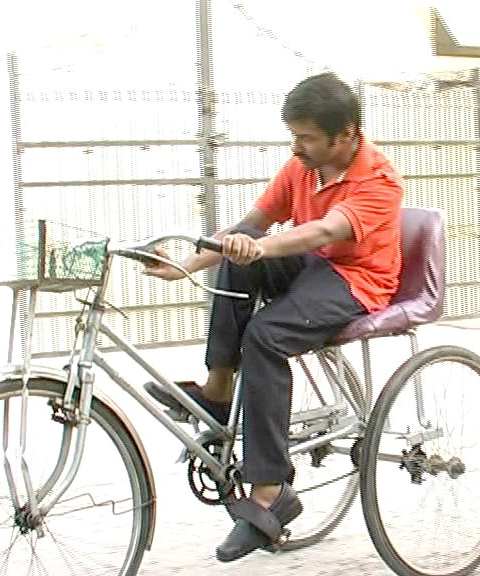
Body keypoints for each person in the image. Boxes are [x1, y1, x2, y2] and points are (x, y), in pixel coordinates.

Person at [142, 72, 403, 562]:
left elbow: (321, 232)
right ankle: (218, 391)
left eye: (306, 137)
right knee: (236, 266)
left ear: (345, 133)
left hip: (355, 280)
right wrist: (186, 263)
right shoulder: (300, 167)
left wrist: (254, 248)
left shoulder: (378, 180)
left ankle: (270, 492)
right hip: (310, 268)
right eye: (294, 136)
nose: (297, 147)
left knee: (265, 335)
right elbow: (251, 226)